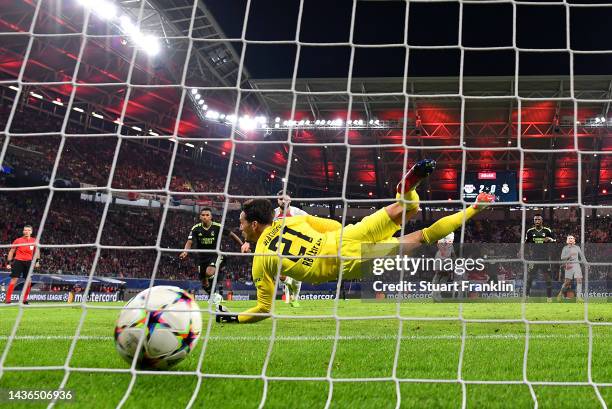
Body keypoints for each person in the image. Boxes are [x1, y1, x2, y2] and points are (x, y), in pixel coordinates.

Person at [217, 159, 495, 323]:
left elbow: (263, 310)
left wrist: (232, 317)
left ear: (254, 225)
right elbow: (331, 225)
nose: (240, 228)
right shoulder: (293, 220)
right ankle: (406, 189)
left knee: (424, 236)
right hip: (349, 235)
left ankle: (473, 209)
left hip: (348, 260)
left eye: (241, 223)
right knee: (409, 209)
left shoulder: (260, 259)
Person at [243, 190, 309, 307]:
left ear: (290, 200)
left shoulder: (298, 212)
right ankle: (288, 288)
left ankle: (295, 299)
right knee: (282, 275)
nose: (283, 201)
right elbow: (258, 225)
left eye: (285, 198)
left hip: (296, 245)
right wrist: (247, 241)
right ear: (277, 200)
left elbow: (311, 221)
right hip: (278, 246)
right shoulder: (272, 214)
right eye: (280, 199)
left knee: (298, 277)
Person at [179, 208, 243, 304]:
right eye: (203, 215)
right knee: (204, 282)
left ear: (211, 217)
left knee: (209, 272)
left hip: (215, 254)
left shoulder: (217, 227)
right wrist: (185, 251)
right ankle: (213, 296)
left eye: (207, 215)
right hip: (201, 257)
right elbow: (189, 242)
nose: (205, 217)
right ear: (200, 217)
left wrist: (242, 245)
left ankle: (219, 270)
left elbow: (232, 235)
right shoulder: (195, 228)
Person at [5, 225, 40, 305]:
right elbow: (11, 252)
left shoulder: (34, 241)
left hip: (29, 263)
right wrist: (8, 263)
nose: (26, 231)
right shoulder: (18, 240)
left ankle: (24, 299)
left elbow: (37, 252)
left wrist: (37, 261)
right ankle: (8, 299)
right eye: (25, 230)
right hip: (18, 261)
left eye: (28, 230)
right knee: (14, 279)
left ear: (31, 232)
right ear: (23, 231)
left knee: (28, 281)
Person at [524, 214, 555, 302]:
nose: (537, 221)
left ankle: (549, 298)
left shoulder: (547, 230)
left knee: (547, 278)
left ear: (542, 221)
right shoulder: (530, 231)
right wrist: (522, 252)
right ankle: (526, 296)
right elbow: (526, 243)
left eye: (539, 219)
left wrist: (549, 239)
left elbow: (554, 240)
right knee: (529, 277)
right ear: (534, 221)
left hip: (544, 258)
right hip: (533, 258)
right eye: (535, 219)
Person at [556, 235, 586, 302]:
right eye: (569, 238)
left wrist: (586, 263)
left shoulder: (577, 247)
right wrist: (569, 255)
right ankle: (560, 294)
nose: (571, 239)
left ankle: (578, 297)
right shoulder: (565, 248)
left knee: (579, 280)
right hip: (569, 265)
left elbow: (582, 256)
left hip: (576, 265)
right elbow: (562, 257)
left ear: (574, 241)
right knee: (567, 282)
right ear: (567, 241)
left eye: (572, 238)